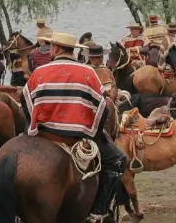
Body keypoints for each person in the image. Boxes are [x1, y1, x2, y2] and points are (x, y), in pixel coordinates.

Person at [22, 32, 125, 223]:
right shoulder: (88, 72)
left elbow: (26, 99)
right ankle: (98, 212)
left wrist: (34, 130)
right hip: (76, 137)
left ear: (56, 48)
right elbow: (103, 107)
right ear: (72, 50)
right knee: (119, 160)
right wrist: (92, 135)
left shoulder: (39, 72)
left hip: (44, 135)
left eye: (52, 46)